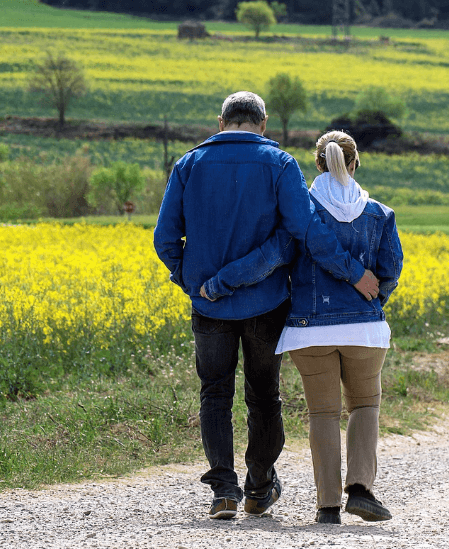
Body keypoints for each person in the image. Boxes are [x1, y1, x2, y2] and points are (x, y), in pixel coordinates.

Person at [153, 92, 380, 520]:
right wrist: (352, 272)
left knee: (214, 394)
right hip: (267, 303)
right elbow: (304, 232)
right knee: (264, 395)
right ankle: (259, 487)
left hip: (208, 308)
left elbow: (165, 239)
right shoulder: (280, 165)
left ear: (221, 121)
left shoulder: (188, 164)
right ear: (264, 122)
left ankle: (223, 490)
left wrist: (195, 283)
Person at [275, 131, 403, 525]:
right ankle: (361, 489)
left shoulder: (302, 212)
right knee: (364, 405)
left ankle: (327, 506)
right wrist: (372, 305)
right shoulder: (379, 213)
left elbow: (281, 257)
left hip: (308, 330)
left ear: (317, 165)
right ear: (355, 163)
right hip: (363, 332)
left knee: (323, 414)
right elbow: (391, 271)